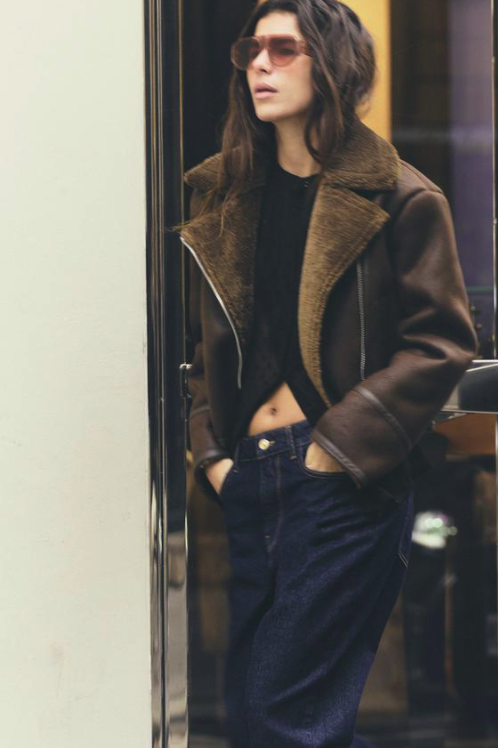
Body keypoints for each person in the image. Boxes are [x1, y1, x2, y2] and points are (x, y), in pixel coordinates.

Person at [178, 1, 478, 746]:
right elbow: (202, 347)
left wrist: (334, 448)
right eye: (251, 49)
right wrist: (212, 454)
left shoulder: (402, 197)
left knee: (285, 717)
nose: (258, 64)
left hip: (343, 480)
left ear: (332, 63)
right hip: (249, 477)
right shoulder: (225, 197)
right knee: (261, 718)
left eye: (283, 49)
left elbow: (440, 342)